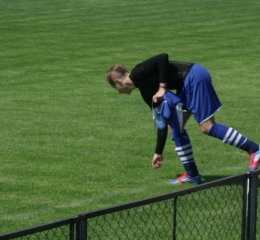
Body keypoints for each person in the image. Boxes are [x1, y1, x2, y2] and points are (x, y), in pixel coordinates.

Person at [105, 53, 260, 184]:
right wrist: (158, 152)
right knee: (174, 127)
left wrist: (162, 88)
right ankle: (192, 174)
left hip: (194, 77)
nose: (118, 92)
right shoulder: (145, 93)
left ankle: (255, 149)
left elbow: (162, 57)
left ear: (118, 81)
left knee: (206, 127)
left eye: (115, 88)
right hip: (186, 84)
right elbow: (161, 122)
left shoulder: (138, 72)